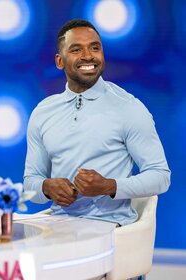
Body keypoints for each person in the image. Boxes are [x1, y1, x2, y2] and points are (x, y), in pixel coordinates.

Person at [23, 19, 170, 226]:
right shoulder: (43, 112)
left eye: (95, 48)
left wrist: (109, 186)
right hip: (58, 225)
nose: (88, 56)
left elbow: (160, 176)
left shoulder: (128, 107)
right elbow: (31, 182)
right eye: (76, 49)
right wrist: (47, 188)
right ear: (59, 61)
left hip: (109, 229)